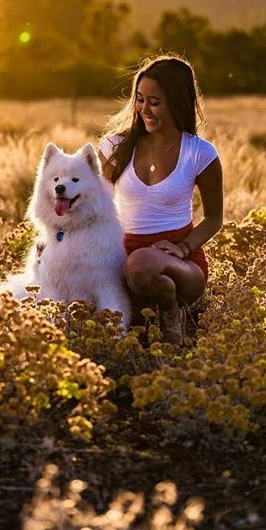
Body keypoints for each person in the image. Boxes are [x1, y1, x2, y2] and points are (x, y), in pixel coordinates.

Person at [97, 54, 223, 345]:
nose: (145, 109)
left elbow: (214, 218)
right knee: (127, 325)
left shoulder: (200, 153)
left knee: (141, 264)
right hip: (122, 258)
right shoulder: (115, 147)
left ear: (177, 102)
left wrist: (183, 248)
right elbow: (98, 206)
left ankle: (171, 310)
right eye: (140, 99)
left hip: (182, 267)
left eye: (155, 102)